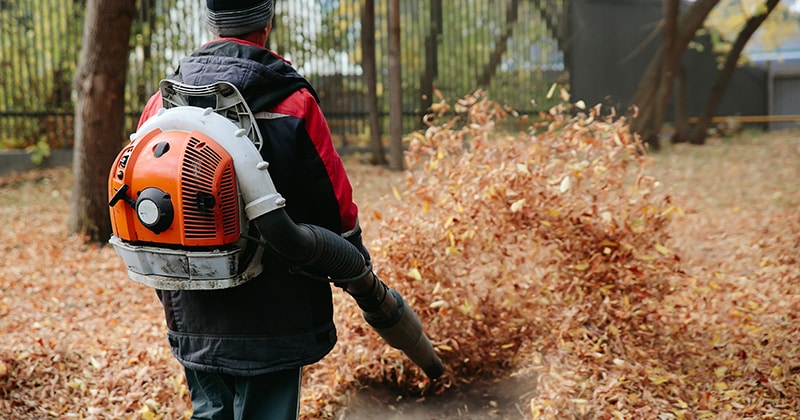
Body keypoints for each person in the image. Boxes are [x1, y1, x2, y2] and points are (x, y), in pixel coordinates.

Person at [136, 1, 366, 418]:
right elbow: (333, 205)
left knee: (210, 411)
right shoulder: (293, 101)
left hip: (192, 304)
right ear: (267, 23)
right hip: (276, 310)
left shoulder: (162, 102)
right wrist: (355, 257)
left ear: (211, 22)